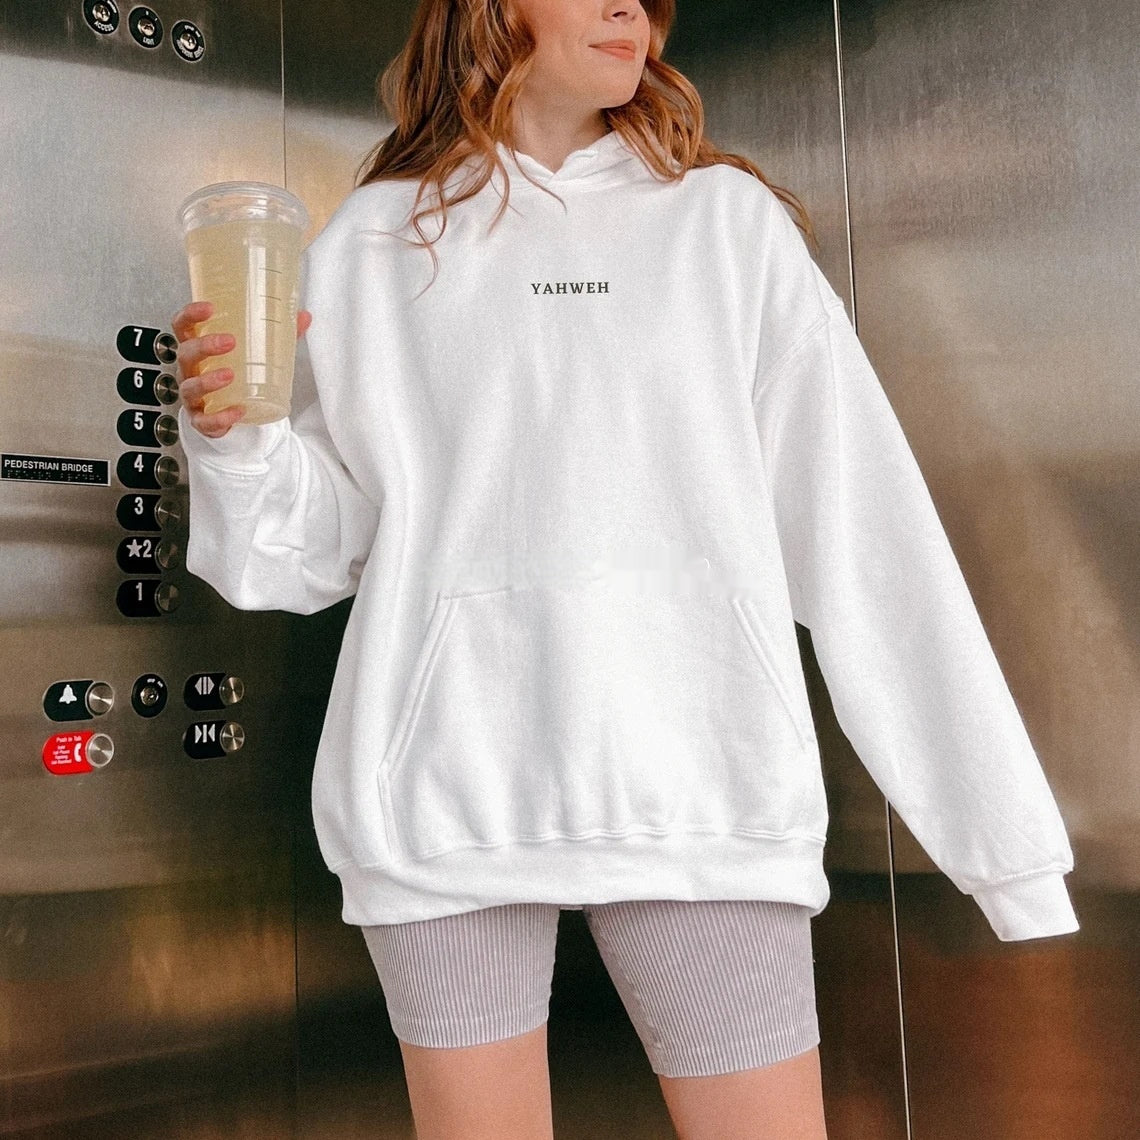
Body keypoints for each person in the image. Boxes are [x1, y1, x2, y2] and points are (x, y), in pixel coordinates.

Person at [172, 2, 1079, 1137]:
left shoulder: (726, 228)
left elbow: (868, 536)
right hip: (445, 797)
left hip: (702, 788)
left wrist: (1006, 856)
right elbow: (304, 556)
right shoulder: (373, 239)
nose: (628, 10)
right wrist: (232, 438)